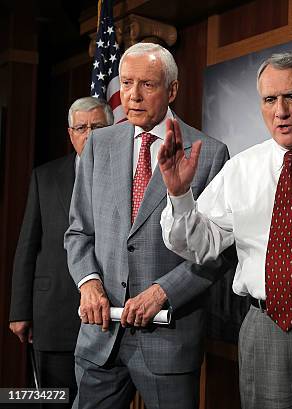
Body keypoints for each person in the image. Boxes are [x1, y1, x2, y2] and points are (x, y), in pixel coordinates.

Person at [159, 52, 292, 409]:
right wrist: (180, 195)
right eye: (269, 100)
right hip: (263, 327)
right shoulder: (241, 168)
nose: (281, 111)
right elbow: (199, 246)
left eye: (291, 96)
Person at [64, 42, 230, 409]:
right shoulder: (99, 144)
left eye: (147, 85)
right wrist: (89, 283)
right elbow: (78, 231)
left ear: (171, 90)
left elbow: (216, 253)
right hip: (100, 335)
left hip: (168, 341)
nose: (132, 97)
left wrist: (160, 293)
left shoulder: (208, 152)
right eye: (126, 83)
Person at [9, 97, 112, 407]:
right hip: (53, 314)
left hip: (108, 314)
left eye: (97, 127)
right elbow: (28, 244)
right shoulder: (45, 176)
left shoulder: (127, 176)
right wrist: (19, 311)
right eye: (82, 127)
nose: (90, 134)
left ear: (111, 130)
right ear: (71, 134)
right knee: (53, 399)